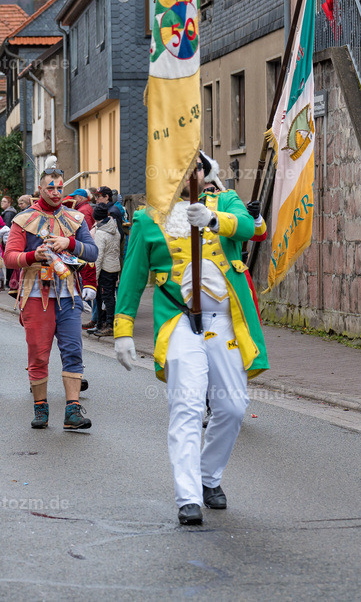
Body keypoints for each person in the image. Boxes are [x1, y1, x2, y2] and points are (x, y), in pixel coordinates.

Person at [114, 152, 268, 526]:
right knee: (187, 408)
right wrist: (122, 329)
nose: (191, 176)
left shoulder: (224, 200)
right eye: (184, 169)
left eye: (197, 168)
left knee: (232, 407)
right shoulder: (149, 218)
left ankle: (208, 477)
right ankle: (188, 496)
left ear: (205, 171)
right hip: (180, 323)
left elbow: (250, 227)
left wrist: (216, 220)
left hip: (225, 322)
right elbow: (133, 275)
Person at [3, 168, 99, 431]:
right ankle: (41, 408)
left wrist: (69, 243)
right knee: (38, 354)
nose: (56, 193)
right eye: (51, 188)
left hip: (68, 295)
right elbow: (9, 257)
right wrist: (34, 255)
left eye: (59, 188)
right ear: (41, 189)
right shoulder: (24, 218)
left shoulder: (75, 217)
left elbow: (92, 252)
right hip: (35, 295)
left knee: (73, 351)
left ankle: (72, 411)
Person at [91, 203, 120, 337]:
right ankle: (102, 322)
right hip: (114, 266)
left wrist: (94, 276)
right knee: (109, 296)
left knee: (104, 296)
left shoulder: (101, 233)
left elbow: (98, 256)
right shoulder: (114, 228)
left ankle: (108, 324)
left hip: (104, 269)